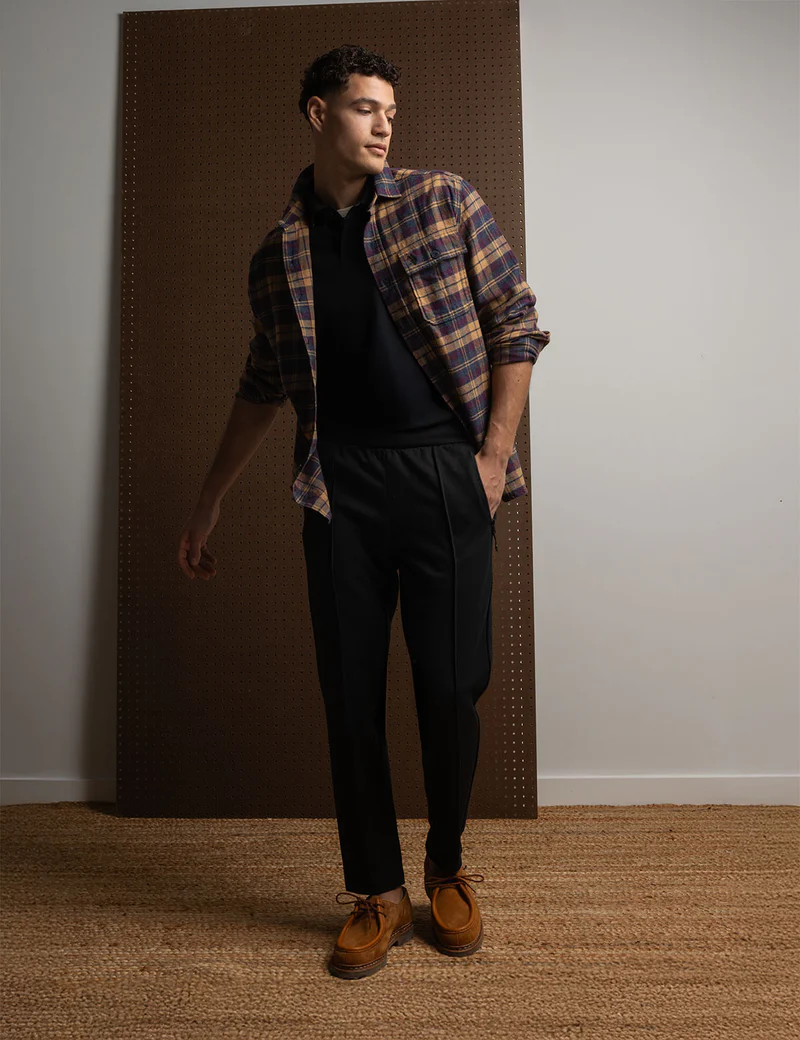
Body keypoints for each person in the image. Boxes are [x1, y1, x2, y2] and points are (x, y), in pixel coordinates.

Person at [177, 44, 550, 979]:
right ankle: (377, 889)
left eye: (390, 108)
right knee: (349, 694)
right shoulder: (278, 254)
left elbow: (514, 320)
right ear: (318, 114)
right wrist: (208, 502)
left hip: (443, 473)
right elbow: (261, 384)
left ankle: (447, 864)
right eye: (363, 107)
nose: (384, 123)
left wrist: (491, 457)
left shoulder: (443, 201)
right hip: (337, 485)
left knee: (451, 685)